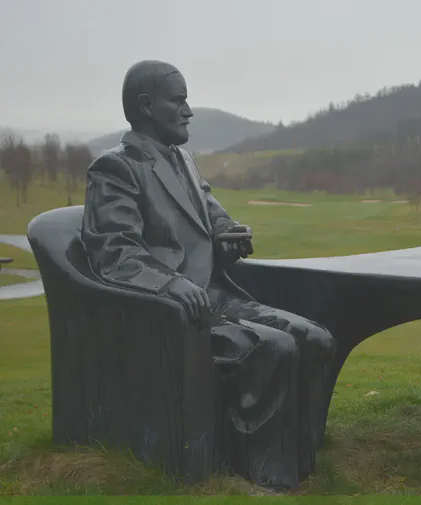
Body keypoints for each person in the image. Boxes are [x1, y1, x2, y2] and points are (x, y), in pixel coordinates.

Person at [80, 60, 335, 490]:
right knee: (273, 347)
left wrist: (228, 234)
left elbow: (212, 217)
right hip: (173, 309)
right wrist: (171, 283)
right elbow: (115, 253)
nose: (188, 111)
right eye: (178, 101)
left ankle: (301, 463)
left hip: (216, 295)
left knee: (315, 339)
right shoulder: (116, 169)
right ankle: (261, 477)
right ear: (145, 106)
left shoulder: (184, 160)